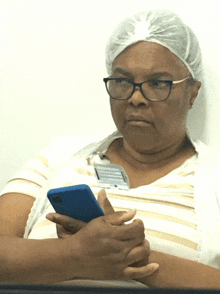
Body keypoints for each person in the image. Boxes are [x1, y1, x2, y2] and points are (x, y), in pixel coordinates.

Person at [1, 8, 220, 288]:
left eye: (157, 83)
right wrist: (72, 255)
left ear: (192, 92)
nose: (136, 97)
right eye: (122, 81)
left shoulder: (215, 178)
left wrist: (134, 257)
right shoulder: (56, 158)